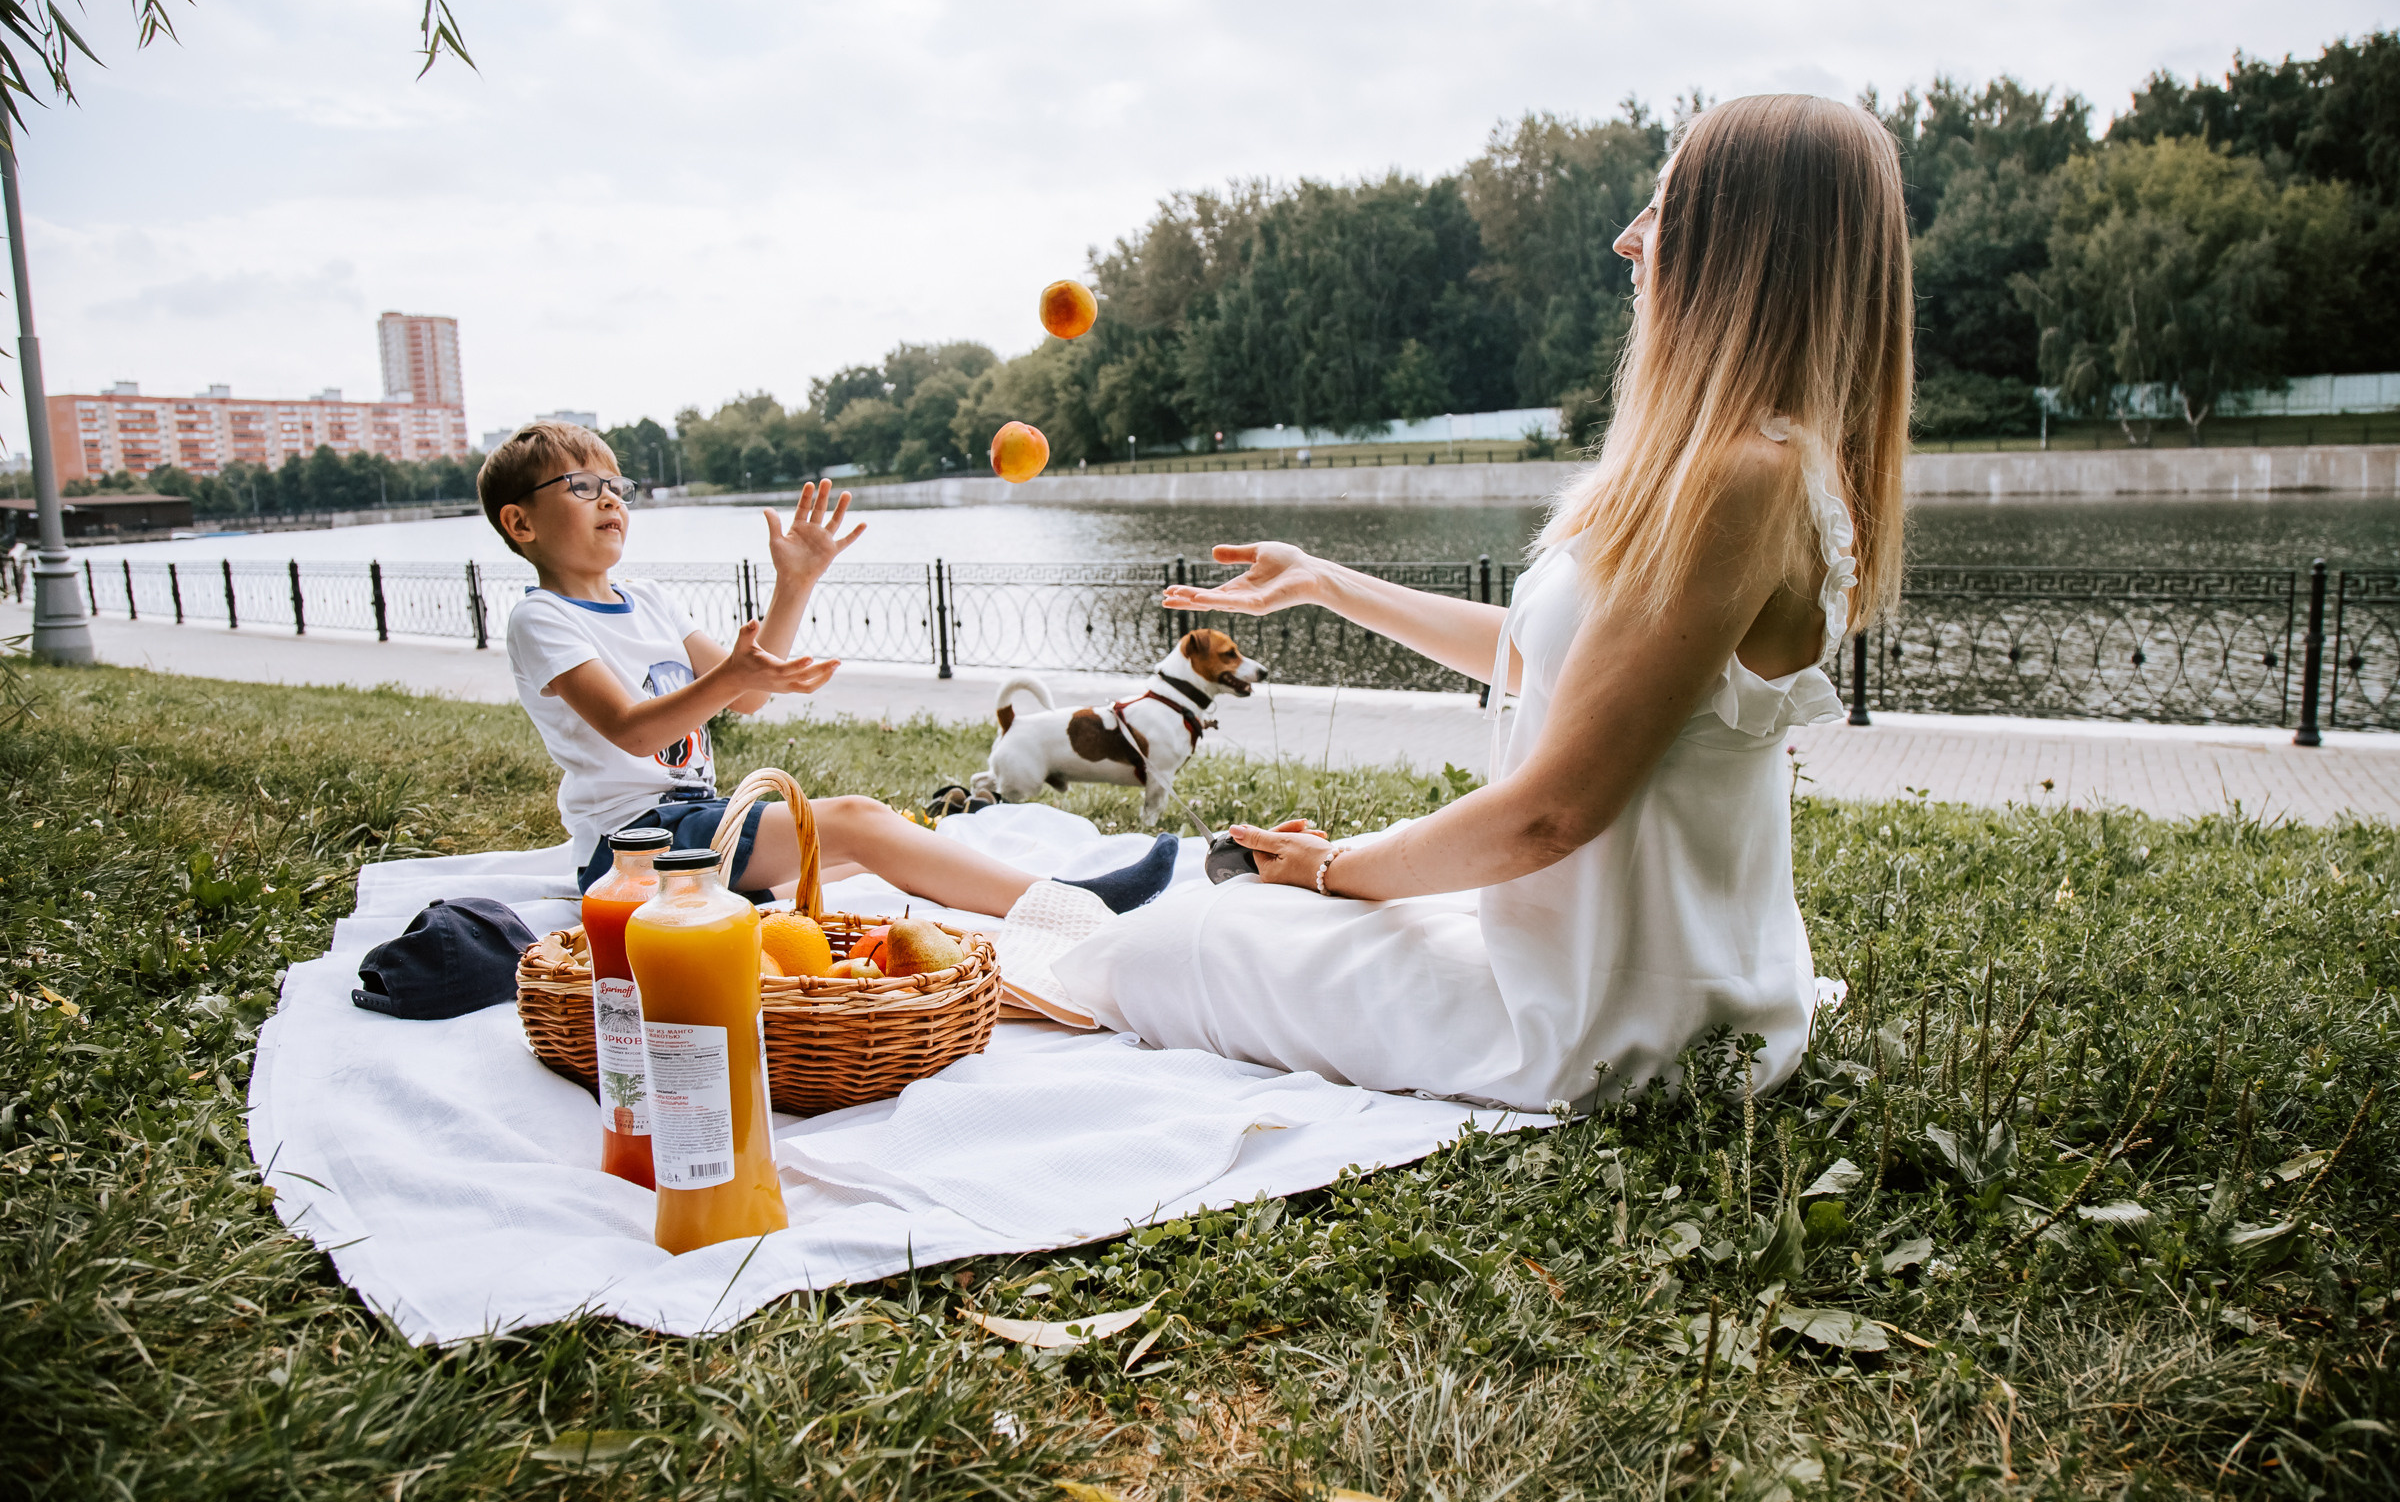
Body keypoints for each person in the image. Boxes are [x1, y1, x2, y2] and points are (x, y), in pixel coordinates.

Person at [1048, 95, 1911, 1110]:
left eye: (1663, 210)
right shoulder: (1763, 465)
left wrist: (1335, 870)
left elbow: (1551, 813)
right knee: (1237, 913)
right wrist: (1329, 583)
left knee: (1166, 942)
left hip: (1605, 1027)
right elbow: (1552, 660)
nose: (1628, 240)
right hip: (1623, 975)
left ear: (1742, 251)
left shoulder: (1741, 478)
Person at [479, 421, 1178, 913]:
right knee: (854, 821)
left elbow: (746, 697)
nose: (610, 499)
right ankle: (1067, 906)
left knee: (872, 856)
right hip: (633, 850)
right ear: (521, 524)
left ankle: (1026, 889)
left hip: (700, 824)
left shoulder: (650, 601)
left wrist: (796, 583)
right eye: (581, 486)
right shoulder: (542, 619)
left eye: (616, 485)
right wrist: (727, 679)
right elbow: (632, 731)